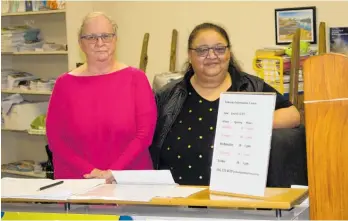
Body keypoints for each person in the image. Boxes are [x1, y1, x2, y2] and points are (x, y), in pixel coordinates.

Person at [150, 22, 307, 187]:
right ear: (190, 55)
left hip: (238, 202)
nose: (212, 56)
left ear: (229, 53)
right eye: (202, 50)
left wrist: (247, 124)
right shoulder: (167, 96)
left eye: (219, 49)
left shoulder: (251, 87)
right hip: (174, 201)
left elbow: (292, 115)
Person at [46, 12, 157, 180]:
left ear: (115, 39)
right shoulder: (64, 84)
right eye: (91, 37)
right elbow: (56, 139)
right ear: (80, 43)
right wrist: (92, 172)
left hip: (129, 180)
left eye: (106, 36)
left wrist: (113, 172)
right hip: (79, 181)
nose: (99, 43)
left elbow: (144, 134)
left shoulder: (136, 79)